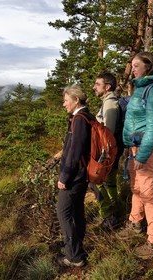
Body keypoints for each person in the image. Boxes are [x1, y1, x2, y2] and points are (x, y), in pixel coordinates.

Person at [119, 51, 153, 259]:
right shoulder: (140, 88)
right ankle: (135, 222)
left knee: (148, 195)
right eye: (132, 65)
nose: (133, 68)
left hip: (144, 150)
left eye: (137, 65)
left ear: (149, 66)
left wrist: (141, 156)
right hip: (134, 149)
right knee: (136, 188)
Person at [57, 85, 93, 267]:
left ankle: (75, 256)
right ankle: (77, 248)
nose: (64, 104)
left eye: (66, 100)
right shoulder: (87, 117)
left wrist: (64, 177)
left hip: (75, 175)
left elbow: (75, 151)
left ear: (76, 99)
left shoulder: (79, 119)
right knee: (77, 210)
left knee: (63, 212)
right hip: (83, 173)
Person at [92, 73, 125, 231]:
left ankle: (109, 215)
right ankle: (117, 211)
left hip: (108, 153)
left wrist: (101, 157)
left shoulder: (110, 105)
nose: (94, 87)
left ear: (107, 87)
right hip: (113, 151)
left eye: (97, 84)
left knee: (95, 180)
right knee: (110, 182)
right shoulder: (108, 102)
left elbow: (108, 134)